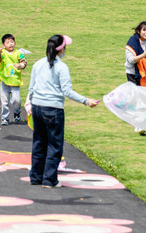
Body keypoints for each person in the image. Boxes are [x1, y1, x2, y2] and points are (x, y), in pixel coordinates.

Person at [26, 34, 98, 187]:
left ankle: (36, 177)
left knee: (39, 143)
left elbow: (31, 88)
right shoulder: (61, 67)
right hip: (53, 109)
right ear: (61, 49)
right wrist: (86, 101)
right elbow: (67, 91)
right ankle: (49, 179)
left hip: (37, 106)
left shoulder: (38, 64)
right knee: (54, 145)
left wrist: (30, 104)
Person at [0, 33, 26, 125]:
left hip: (15, 81)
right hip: (5, 81)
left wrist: (20, 65)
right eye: (8, 42)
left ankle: (17, 113)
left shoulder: (18, 53)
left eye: (12, 42)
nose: (10, 44)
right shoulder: (3, 53)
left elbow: (24, 63)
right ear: (3, 45)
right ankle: (5, 118)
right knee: (4, 102)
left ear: (15, 43)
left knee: (17, 100)